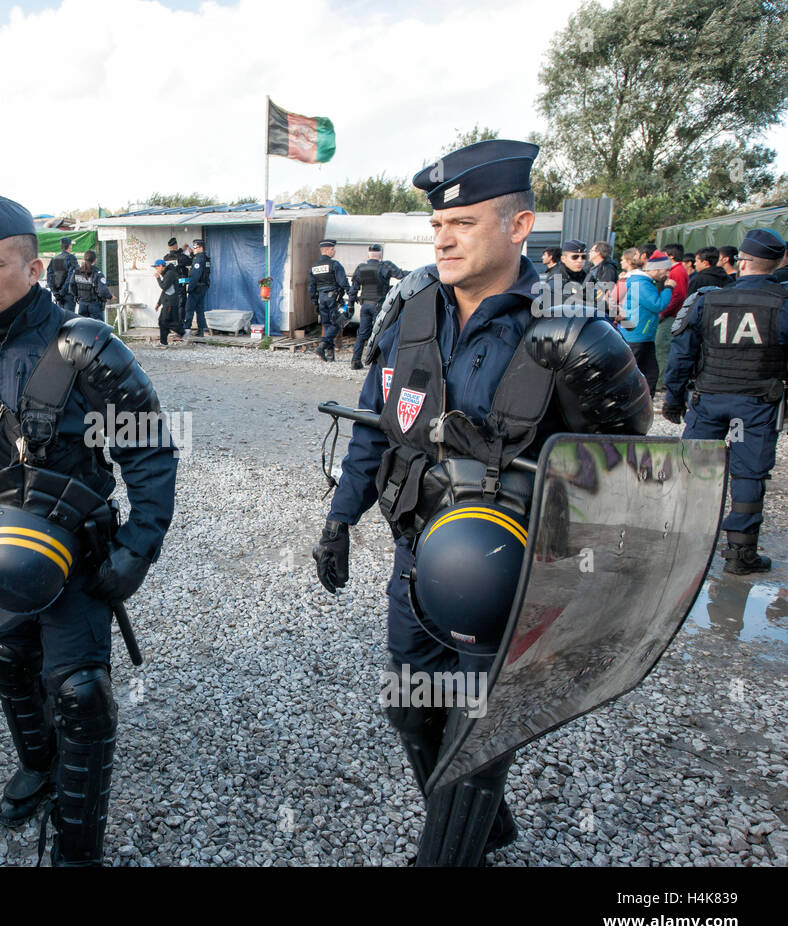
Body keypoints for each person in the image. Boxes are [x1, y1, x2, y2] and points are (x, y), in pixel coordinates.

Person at [311, 140, 651, 867]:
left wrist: (589, 580)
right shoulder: (410, 315)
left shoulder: (566, 329)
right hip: (416, 563)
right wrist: (340, 519)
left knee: (478, 723)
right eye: (439, 225)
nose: (443, 237)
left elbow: (622, 467)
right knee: (411, 704)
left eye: (463, 223)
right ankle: (480, 824)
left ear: (519, 226)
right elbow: (376, 433)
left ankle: (449, 852)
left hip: (510, 577)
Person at [0, 194, 177, 865]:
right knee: (8, 661)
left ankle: (77, 850)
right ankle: (38, 765)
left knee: (81, 695)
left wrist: (139, 547)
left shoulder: (84, 350)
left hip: (74, 553)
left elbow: (150, 451)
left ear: (32, 268)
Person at [663, 228, 788, 575]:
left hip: (708, 398)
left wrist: (673, 398)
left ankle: (684, 544)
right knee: (749, 473)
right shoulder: (783, 303)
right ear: (779, 262)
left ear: (740, 261)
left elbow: (681, 354)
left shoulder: (707, 299)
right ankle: (739, 552)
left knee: (694, 468)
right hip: (758, 402)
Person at [618, 248, 678, 395]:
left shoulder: (641, 281)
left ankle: (644, 400)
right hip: (637, 334)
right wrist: (668, 289)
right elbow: (657, 305)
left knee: (649, 372)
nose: (667, 274)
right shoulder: (642, 283)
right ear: (656, 269)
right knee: (637, 371)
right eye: (666, 270)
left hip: (641, 333)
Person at [349, 243, 408, 368]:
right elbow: (401, 275)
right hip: (379, 306)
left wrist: (350, 306)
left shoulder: (361, 267)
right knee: (381, 333)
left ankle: (355, 361)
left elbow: (353, 289)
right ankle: (378, 363)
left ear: (368, 254)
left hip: (365, 306)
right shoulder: (385, 265)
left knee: (361, 334)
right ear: (380, 254)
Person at [308, 239, 348, 362]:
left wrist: (315, 302)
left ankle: (330, 355)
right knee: (337, 323)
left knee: (327, 325)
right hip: (333, 298)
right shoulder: (334, 264)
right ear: (326, 250)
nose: (334, 251)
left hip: (321, 299)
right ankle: (322, 346)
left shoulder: (314, 267)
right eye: (332, 249)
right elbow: (343, 282)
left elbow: (311, 287)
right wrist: (351, 293)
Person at [71, 249, 112, 319]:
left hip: (82, 304)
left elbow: (71, 286)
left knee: (84, 327)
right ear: (95, 260)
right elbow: (102, 290)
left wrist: (77, 296)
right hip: (94, 305)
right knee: (97, 327)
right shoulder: (97, 273)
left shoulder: (77, 271)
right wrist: (110, 296)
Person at [152, 258, 183, 347]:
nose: (156, 269)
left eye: (156, 267)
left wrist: (158, 278)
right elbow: (165, 291)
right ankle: (163, 342)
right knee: (162, 321)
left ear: (161, 266)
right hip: (167, 302)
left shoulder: (170, 274)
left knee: (166, 322)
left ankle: (183, 332)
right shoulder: (167, 274)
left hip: (170, 302)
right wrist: (159, 303)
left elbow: (164, 287)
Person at [184, 238, 211, 337]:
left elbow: (196, 275)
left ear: (200, 247)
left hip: (196, 287)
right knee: (200, 310)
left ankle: (186, 330)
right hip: (203, 287)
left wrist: (190, 288)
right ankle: (200, 331)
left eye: (195, 247)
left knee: (189, 308)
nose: (194, 249)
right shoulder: (206, 258)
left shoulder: (198, 259)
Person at [166, 238, 192, 331]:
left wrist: (180, 250)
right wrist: (190, 253)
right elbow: (190, 261)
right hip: (180, 285)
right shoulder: (180, 257)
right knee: (181, 305)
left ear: (169, 247)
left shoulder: (166, 258)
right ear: (175, 245)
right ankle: (179, 324)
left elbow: (175, 257)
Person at [46, 237, 79, 312]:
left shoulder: (54, 259)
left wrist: (55, 293)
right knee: (69, 320)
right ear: (69, 246)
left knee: (60, 319)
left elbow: (49, 278)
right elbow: (71, 277)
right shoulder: (71, 258)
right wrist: (62, 292)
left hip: (58, 296)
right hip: (68, 294)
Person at [586, 241, 619, 311]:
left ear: (598, 253)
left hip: (601, 310)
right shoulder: (593, 269)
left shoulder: (608, 269)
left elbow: (603, 291)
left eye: (591, 251)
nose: (589, 253)